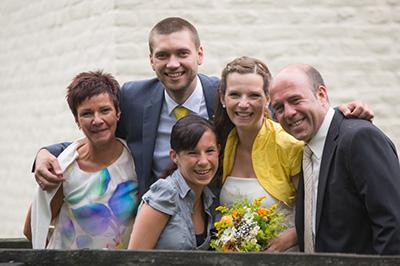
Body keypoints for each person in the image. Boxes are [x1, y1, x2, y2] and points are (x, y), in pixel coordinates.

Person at [33, 17, 373, 196]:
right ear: (151, 60)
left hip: (218, 217)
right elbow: (99, 132)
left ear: (199, 55)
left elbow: (285, 116)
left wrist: (339, 115)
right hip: (154, 218)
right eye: (163, 55)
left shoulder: (226, 96)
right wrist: (48, 152)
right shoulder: (134, 96)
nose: (173, 64)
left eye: (182, 53)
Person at [269, 63, 400, 255]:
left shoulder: (359, 138)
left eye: (295, 100)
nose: (288, 113)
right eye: (279, 107)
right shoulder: (307, 151)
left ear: (321, 95)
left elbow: (393, 224)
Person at [24, 71, 139, 249]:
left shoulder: (135, 160)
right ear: (77, 120)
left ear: (118, 113)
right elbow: (33, 230)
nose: (97, 120)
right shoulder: (64, 168)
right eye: (87, 113)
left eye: (105, 110)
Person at [214, 57, 303, 252]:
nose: (243, 104)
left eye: (253, 95)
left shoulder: (289, 145)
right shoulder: (223, 143)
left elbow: (314, 212)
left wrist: (286, 241)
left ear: (267, 99)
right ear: (223, 98)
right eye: (235, 94)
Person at [128, 115, 220, 250]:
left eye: (210, 151)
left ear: (219, 150)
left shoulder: (210, 198)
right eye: (193, 153)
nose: (204, 161)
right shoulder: (165, 194)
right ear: (174, 156)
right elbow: (133, 259)